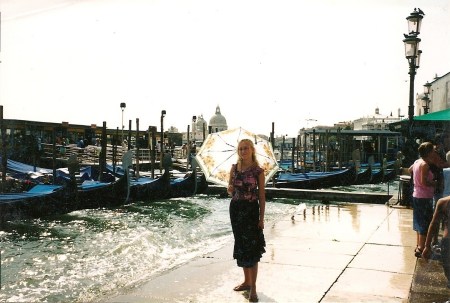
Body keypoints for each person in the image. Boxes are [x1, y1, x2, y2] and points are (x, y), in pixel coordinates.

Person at [227, 139, 266, 302]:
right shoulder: (234, 168)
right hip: (236, 210)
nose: (243, 151)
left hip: (250, 211)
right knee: (242, 246)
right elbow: (230, 189)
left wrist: (262, 218)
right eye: (240, 149)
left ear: (252, 150)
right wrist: (229, 188)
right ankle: (246, 281)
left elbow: (262, 196)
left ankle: (254, 287)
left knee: (252, 248)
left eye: (246, 148)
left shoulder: (258, 171)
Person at [409, 142, 438, 258]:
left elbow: (410, 170)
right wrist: (435, 183)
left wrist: (415, 181)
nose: (435, 152)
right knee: (425, 222)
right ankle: (421, 248)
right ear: (429, 152)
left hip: (416, 195)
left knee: (418, 221)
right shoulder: (425, 165)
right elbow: (424, 182)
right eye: (433, 151)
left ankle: (418, 245)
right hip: (424, 196)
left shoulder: (417, 162)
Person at [422, 194, 450, 288]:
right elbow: (433, 225)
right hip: (447, 243)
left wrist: (427, 246)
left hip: (447, 243)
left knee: (448, 272)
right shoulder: (443, 202)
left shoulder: (443, 202)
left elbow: (433, 224)